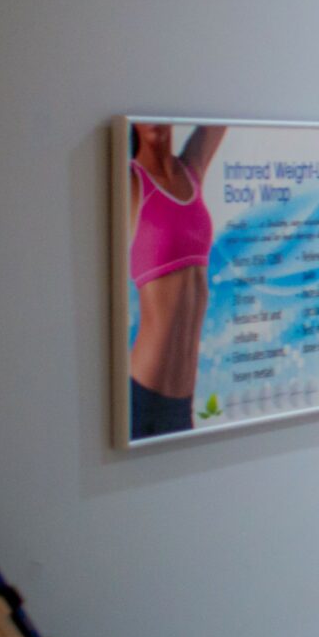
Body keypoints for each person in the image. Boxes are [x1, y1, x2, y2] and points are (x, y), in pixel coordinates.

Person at [126, 122, 225, 439]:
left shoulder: (191, 170)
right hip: (144, 396)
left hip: (183, 403)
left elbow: (220, 115)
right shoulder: (129, 180)